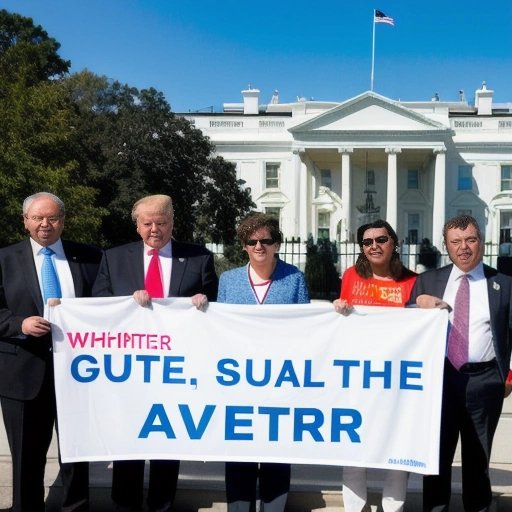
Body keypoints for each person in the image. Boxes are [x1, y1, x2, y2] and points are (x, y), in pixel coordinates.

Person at [92, 194, 218, 512]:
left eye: (161, 223)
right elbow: (99, 304)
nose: (154, 229)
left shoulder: (198, 258)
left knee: (166, 438)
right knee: (128, 437)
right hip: (129, 368)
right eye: (147, 223)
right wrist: (124, 303)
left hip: (176, 368)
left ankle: (162, 504)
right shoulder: (114, 257)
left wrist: (204, 302)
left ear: (172, 223)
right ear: (137, 226)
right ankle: (125, 504)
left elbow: (218, 306)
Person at [0, 192, 102, 512]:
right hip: (23, 373)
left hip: (80, 373)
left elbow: (106, 304)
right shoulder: (3, 259)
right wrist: (19, 324)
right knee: (26, 458)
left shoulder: (91, 258)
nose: (45, 224)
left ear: (63, 221)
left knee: (76, 456)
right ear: (25, 221)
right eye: (38, 218)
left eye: (53, 217)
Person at [410, 214, 512, 512]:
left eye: (470, 240)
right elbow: (403, 324)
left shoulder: (503, 283)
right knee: (436, 458)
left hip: (484, 382)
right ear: (446, 245)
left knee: (477, 462)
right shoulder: (428, 281)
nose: (463, 247)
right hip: (439, 380)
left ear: (481, 241)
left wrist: (508, 377)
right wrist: (418, 303)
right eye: (456, 242)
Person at [217, 212, 309, 512]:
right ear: (244, 245)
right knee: (240, 454)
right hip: (239, 382)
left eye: (266, 241)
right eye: (252, 241)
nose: (259, 246)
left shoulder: (294, 278)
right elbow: (218, 330)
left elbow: (308, 327)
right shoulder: (228, 281)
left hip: (281, 382)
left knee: (276, 455)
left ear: (277, 244)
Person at [333, 219, 417, 512]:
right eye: (367, 242)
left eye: (381, 240)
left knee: (397, 452)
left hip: (397, 380)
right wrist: (339, 309)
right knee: (355, 450)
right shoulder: (351, 277)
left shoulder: (412, 281)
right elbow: (341, 325)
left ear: (394, 243)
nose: (374, 246)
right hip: (358, 378)